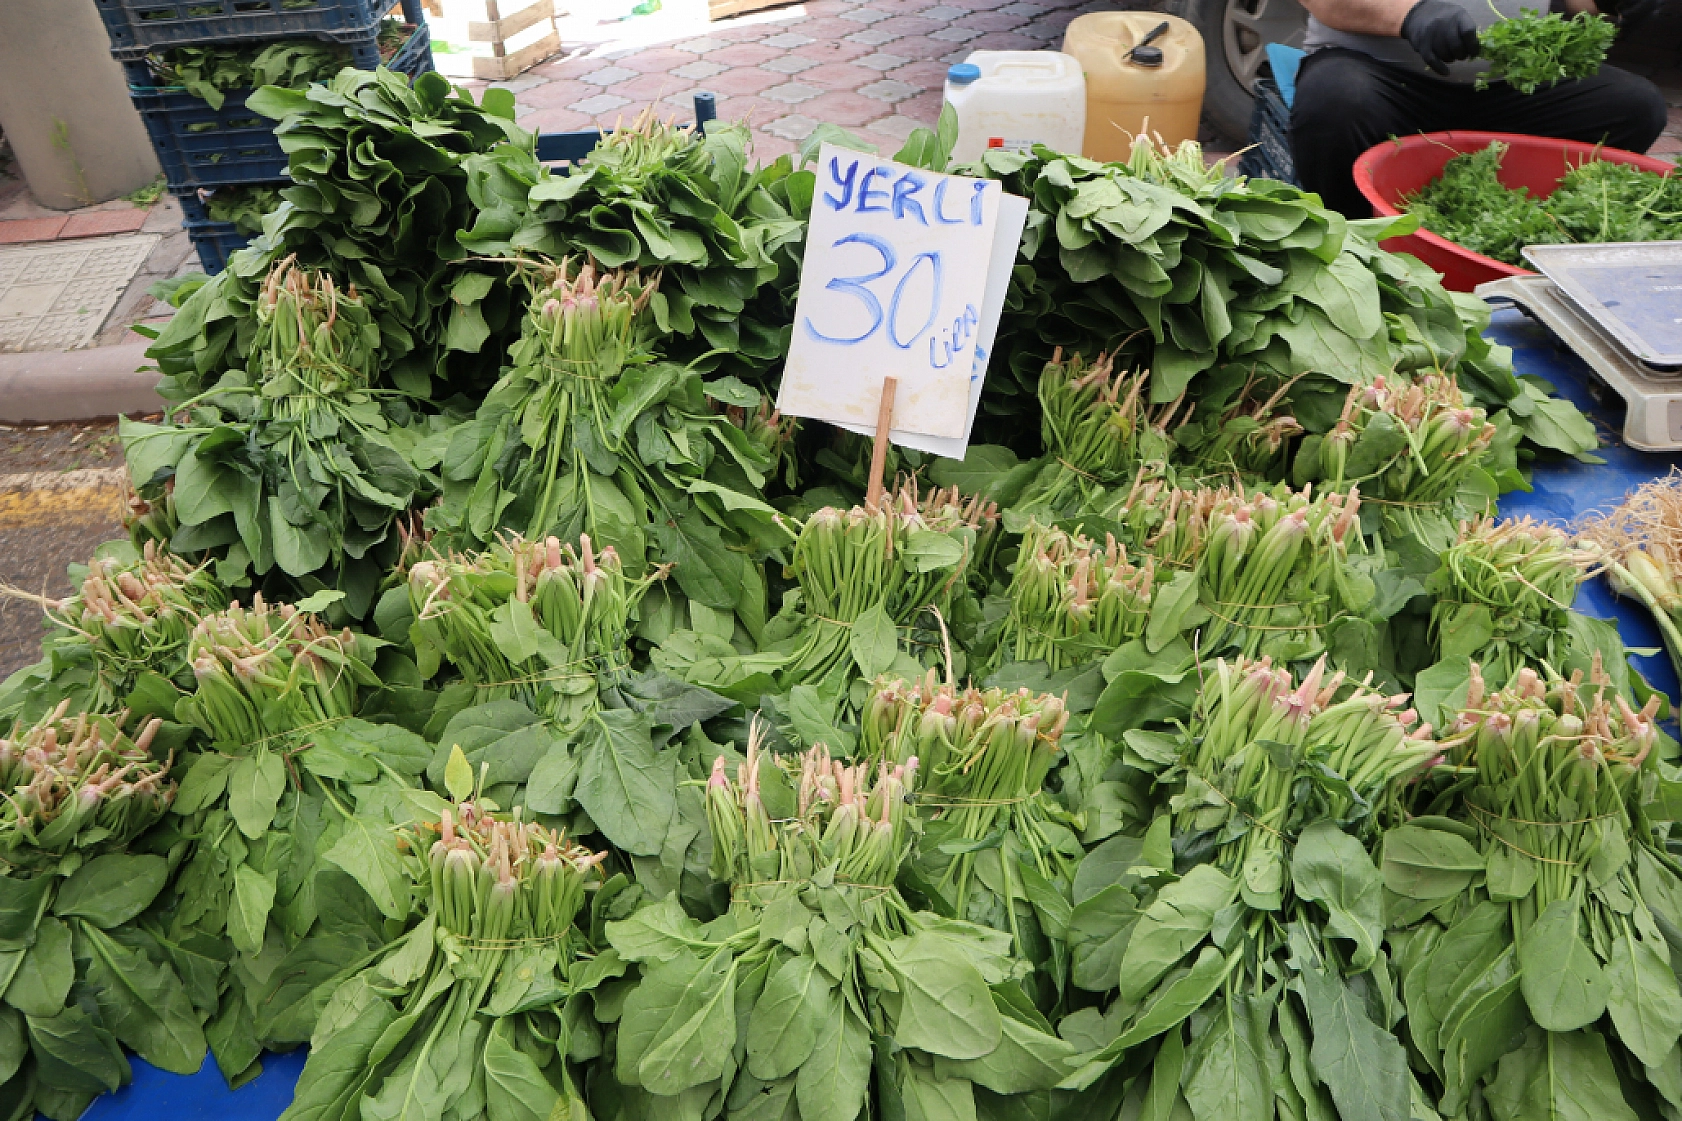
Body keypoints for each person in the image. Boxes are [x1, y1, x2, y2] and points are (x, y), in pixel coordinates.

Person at [1290, 0, 1669, 217]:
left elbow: (1582, 7)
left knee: (1634, 107)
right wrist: (1410, 15)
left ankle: (1529, 229)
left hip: (1509, 85)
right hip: (1383, 79)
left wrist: (1611, 3)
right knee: (1335, 101)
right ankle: (1353, 244)